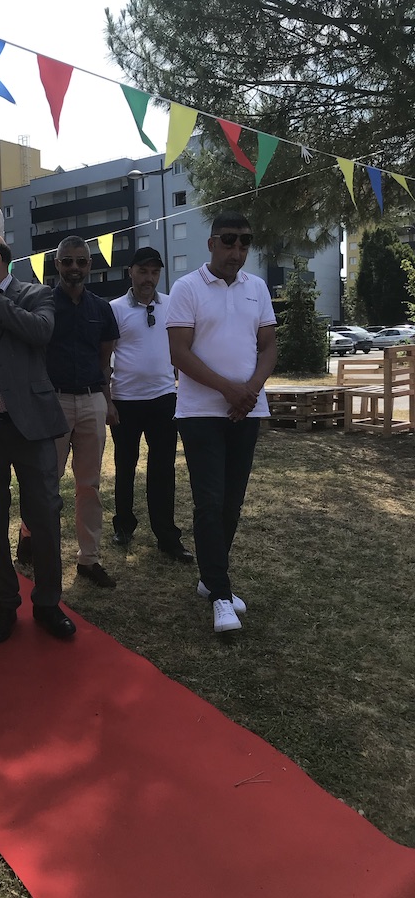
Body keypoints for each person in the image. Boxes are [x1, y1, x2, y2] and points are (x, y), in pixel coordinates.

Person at [0, 232, 75, 643]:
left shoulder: (35, 294)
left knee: (43, 515)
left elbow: (40, 333)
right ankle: (4, 604)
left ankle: (48, 603)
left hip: (32, 425)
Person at [165, 212, 277, 633]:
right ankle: (220, 595)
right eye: (229, 240)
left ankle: (210, 577)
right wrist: (229, 390)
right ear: (211, 243)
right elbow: (179, 353)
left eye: (245, 242)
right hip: (200, 413)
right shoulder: (187, 288)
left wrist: (250, 390)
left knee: (231, 503)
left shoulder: (257, 288)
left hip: (246, 411)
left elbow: (268, 346)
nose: (237, 250)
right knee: (209, 502)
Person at [17, 235, 119, 588]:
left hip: (91, 399)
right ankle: (29, 533)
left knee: (89, 485)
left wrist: (108, 401)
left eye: (81, 261)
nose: (75, 268)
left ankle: (89, 559)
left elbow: (105, 360)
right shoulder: (42, 304)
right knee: (46, 482)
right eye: (67, 261)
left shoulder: (101, 309)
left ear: (90, 265)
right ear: (57, 264)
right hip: (53, 402)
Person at [109, 247, 193, 562]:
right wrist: (107, 400)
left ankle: (167, 537)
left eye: (154, 272)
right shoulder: (115, 309)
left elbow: (184, 347)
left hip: (163, 399)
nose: (149, 278)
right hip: (125, 400)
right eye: (143, 271)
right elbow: (105, 356)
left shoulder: (171, 305)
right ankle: (123, 525)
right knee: (125, 466)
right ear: (130, 272)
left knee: (163, 470)